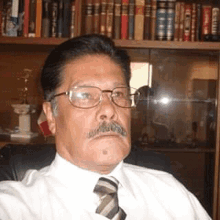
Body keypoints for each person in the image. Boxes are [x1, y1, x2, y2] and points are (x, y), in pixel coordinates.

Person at [0, 34, 211, 220]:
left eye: (118, 93)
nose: (109, 110)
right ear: (51, 116)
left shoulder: (170, 194)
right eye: (84, 95)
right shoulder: (14, 206)